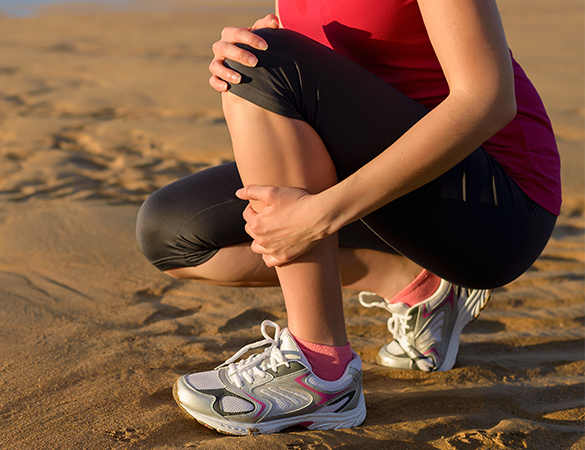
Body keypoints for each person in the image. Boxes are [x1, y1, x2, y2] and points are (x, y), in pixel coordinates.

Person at [135, 0, 560, 436]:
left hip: (497, 204)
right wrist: (259, 47)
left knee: (266, 64)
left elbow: (488, 99)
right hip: (393, 183)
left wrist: (320, 213)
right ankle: (415, 283)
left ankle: (323, 374)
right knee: (171, 233)